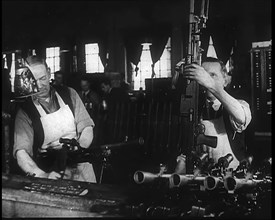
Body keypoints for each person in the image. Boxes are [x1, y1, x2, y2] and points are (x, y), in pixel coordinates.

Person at [13, 55, 97, 182]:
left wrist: (79, 149)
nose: (40, 85)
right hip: (51, 173)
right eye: (34, 81)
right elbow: (21, 153)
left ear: (49, 72)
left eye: (43, 78)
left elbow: (86, 127)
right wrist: (42, 175)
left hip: (82, 168)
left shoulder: (69, 94)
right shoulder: (25, 111)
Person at [181, 57, 252, 170]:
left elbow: (241, 118)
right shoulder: (193, 109)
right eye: (203, 75)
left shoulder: (237, 105)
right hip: (201, 174)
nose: (205, 79)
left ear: (225, 80)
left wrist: (211, 84)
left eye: (213, 75)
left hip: (232, 175)